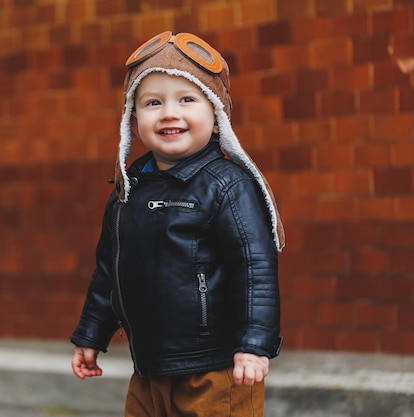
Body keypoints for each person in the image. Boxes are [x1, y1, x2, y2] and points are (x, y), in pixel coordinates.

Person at [70, 31, 285, 417]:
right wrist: (91, 334)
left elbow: (255, 270)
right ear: (133, 122)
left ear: (217, 114)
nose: (170, 113)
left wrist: (255, 344)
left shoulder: (227, 186)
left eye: (187, 99)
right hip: (150, 368)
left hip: (215, 369)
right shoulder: (128, 191)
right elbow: (109, 272)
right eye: (153, 102)